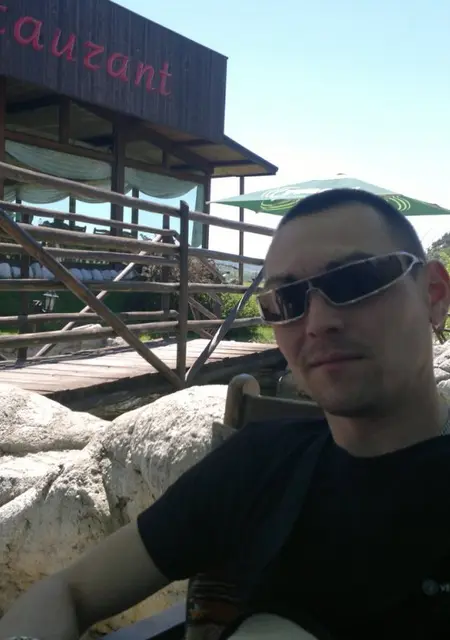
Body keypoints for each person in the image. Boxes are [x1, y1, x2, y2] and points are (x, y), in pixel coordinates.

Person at [1, 188, 450, 640]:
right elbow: (69, 591)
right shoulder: (257, 464)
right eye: (287, 300)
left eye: (354, 282)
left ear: (433, 294)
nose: (317, 323)